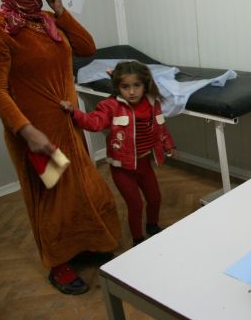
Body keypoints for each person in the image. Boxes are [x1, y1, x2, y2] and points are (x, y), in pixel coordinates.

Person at [0, 0, 121, 295]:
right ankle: (58, 262)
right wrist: (27, 132)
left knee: (83, 185)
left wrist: (61, 10)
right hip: (35, 131)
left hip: (68, 123)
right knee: (52, 196)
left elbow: (87, 48)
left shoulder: (48, 21)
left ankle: (88, 241)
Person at [60, 60, 176, 246]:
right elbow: (94, 123)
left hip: (145, 165)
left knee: (155, 198)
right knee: (135, 205)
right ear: (118, 87)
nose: (131, 92)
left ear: (145, 85)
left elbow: (161, 127)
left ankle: (152, 226)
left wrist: (169, 145)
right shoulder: (110, 106)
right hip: (123, 169)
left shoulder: (153, 103)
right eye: (125, 87)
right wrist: (74, 112)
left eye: (136, 86)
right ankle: (138, 240)